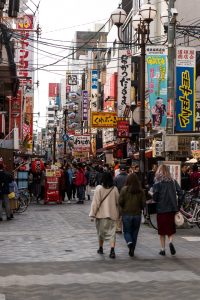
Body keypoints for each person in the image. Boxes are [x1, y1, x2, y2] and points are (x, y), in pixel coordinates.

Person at [153, 164, 183, 256]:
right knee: (170, 229)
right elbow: (181, 193)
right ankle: (170, 242)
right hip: (171, 209)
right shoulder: (173, 181)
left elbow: (155, 197)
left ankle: (162, 249)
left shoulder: (157, 182)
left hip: (161, 209)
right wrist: (178, 205)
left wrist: (153, 196)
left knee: (162, 231)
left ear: (159, 172)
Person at [89, 172, 119, 259]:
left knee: (100, 233)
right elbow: (118, 202)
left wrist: (92, 214)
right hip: (112, 215)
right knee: (112, 233)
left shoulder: (99, 188)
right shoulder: (115, 189)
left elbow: (95, 203)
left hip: (101, 215)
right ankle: (112, 250)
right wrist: (119, 213)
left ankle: (101, 248)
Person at [119, 173, 145, 257]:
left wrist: (122, 209)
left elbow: (120, 202)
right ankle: (132, 249)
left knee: (127, 231)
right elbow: (143, 204)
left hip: (126, 214)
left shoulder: (124, 189)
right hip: (137, 214)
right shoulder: (140, 191)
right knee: (135, 232)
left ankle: (129, 243)